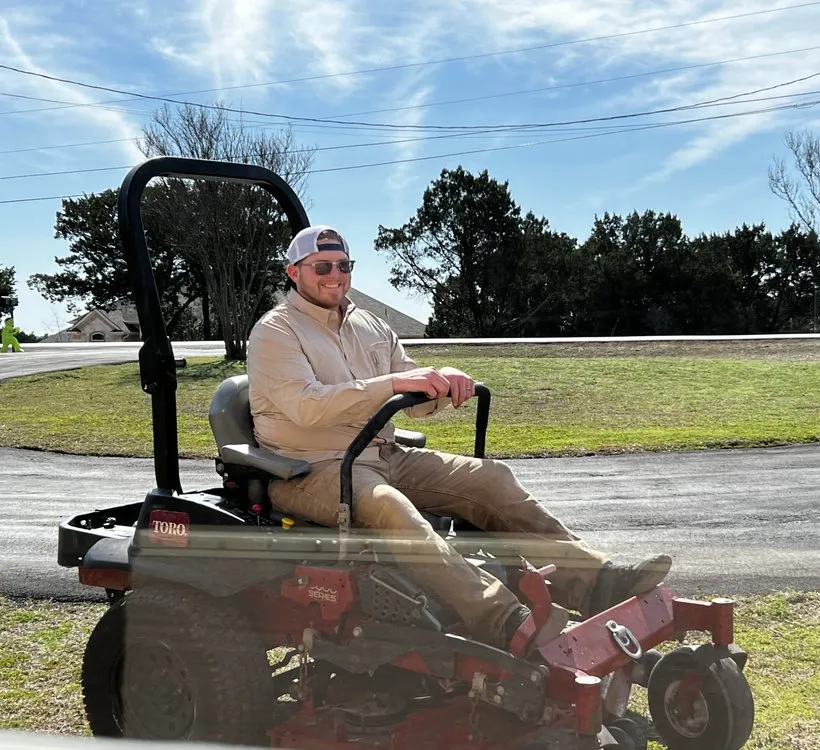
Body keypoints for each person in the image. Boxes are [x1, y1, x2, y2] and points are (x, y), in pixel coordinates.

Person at [246, 225, 673, 653]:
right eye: (322, 266)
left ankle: (594, 582)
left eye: (343, 265)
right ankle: (501, 617)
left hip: (381, 453)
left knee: (491, 479)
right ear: (293, 272)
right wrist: (393, 383)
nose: (334, 275)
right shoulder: (275, 331)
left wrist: (442, 385)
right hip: (311, 468)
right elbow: (306, 406)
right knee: (388, 507)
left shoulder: (369, 325)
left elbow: (410, 398)